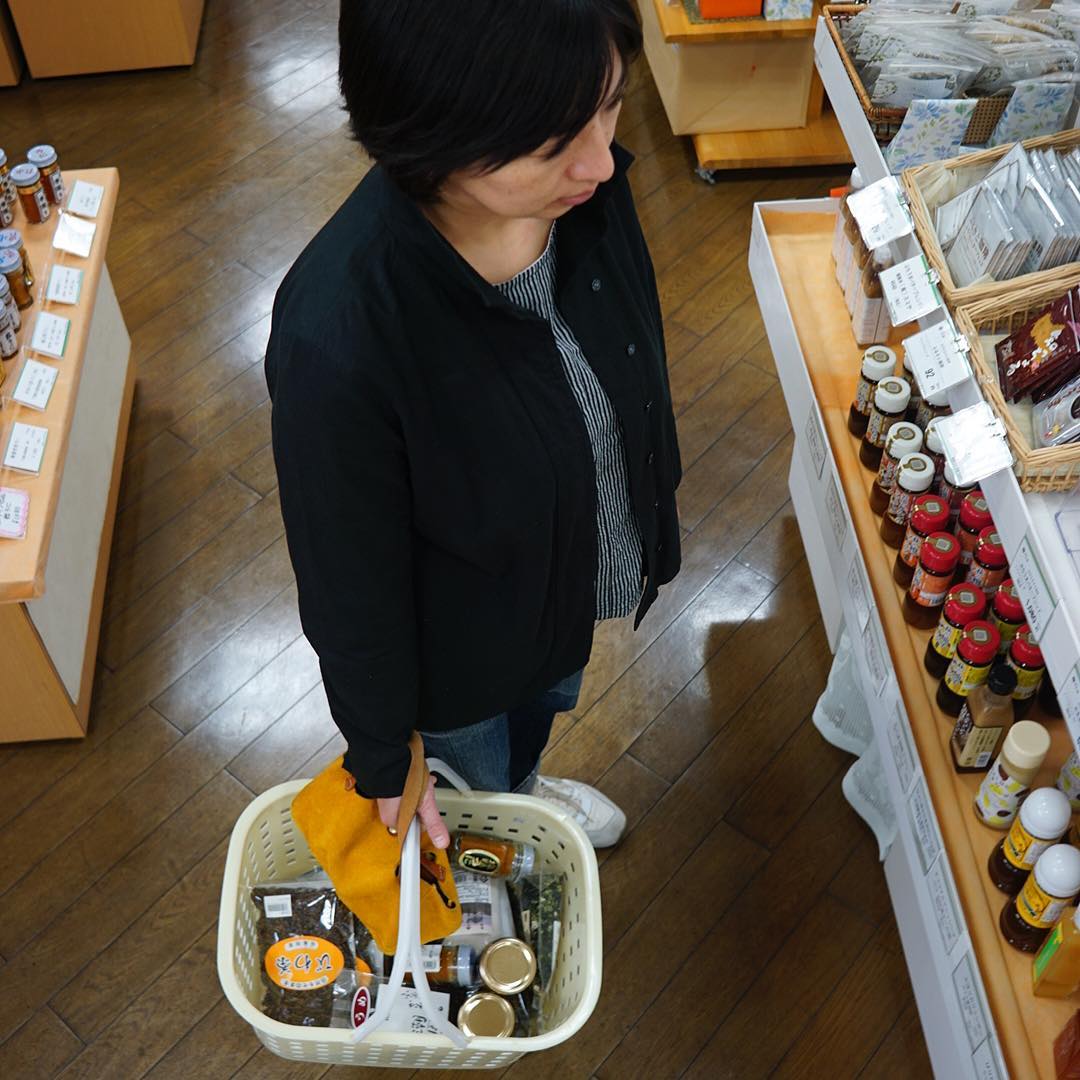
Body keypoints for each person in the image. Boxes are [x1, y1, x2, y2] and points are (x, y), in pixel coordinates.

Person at [265, 0, 682, 852]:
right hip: (456, 656)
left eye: (609, 105)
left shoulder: (586, 195)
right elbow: (349, 585)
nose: (602, 161)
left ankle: (522, 791)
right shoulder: (339, 337)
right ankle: (498, 813)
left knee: (540, 711)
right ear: (433, 137)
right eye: (553, 142)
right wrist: (384, 754)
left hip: (561, 578)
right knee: (465, 780)